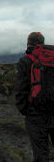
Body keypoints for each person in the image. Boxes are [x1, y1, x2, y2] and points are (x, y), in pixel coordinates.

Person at [15, 31, 54, 162]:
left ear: (28, 44)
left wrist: (24, 110)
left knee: (40, 153)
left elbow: (21, 90)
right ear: (42, 44)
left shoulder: (25, 62)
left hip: (36, 114)